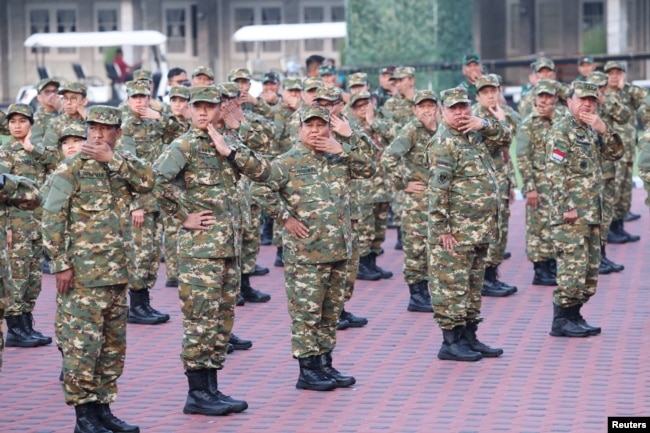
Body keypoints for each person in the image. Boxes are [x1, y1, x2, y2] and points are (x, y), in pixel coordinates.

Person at [153, 85, 273, 415]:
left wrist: (230, 148)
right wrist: (182, 217)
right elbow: (153, 182)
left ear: (221, 108)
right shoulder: (184, 145)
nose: (203, 112)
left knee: (221, 321)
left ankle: (212, 389)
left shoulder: (227, 142)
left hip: (228, 247)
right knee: (200, 322)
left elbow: (262, 170)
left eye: (210, 106)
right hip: (200, 251)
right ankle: (197, 393)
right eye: (198, 107)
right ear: (190, 110)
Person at [246, 105, 375, 390]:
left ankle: (325, 364)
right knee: (307, 313)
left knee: (331, 311)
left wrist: (346, 142)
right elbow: (258, 188)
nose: (316, 131)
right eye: (310, 126)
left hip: (339, 249)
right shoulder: (287, 161)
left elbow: (370, 167)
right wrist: (284, 217)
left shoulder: (339, 155)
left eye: (321, 125)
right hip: (306, 252)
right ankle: (308, 371)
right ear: (299, 129)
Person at [42, 105, 151, 433]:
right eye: (94, 129)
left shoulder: (123, 168)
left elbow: (149, 181)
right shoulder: (70, 169)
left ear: (118, 133)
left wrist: (113, 160)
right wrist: (61, 264)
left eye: (106, 129)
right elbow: (51, 218)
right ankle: (84, 417)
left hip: (117, 275)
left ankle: (104, 410)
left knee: (112, 349)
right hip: (83, 279)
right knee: (82, 349)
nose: (99, 135)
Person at [427, 87, 509, 362]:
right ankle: (451, 342)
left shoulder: (473, 135)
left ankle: (469, 336)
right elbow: (438, 191)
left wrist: (483, 123)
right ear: (443, 112)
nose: (460, 113)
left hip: (478, 228)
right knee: (453, 286)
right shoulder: (444, 143)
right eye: (454, 108)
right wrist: (442, 230)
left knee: (473, 285)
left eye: (464, 107)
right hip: (456, 231)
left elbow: (506, 136)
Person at [545, 81, 623, 338]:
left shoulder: (590, 130)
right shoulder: (562, 131)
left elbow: (615, 154)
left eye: (592, 101)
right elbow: (554, 171)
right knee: (572, 269)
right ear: (569, 102)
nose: (588, 104)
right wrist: (568, 205)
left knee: (589, 271)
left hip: (591, 214)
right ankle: (562, 320)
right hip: (571, 216)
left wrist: (604, 129)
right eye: (582, 99)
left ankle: (574, 314)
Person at [119, 80, 181, 325]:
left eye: (143, 97)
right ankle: (135, 306)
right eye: (134, 97)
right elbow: (127, 167)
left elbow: (180, 133)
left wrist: (161, 117)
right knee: (139, 254)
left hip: (157, 197)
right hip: (140, 200)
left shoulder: (155, 121)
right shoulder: (125, 127)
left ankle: (144, 302)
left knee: (153, 253)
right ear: (127, 100)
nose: (139, 102)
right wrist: (135, 203)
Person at [0, 103, 56, 348]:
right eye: (13, 122)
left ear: (31, 124)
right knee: (18, 279)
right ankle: (15, 330)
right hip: (16, 226)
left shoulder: (37, 152)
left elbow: (58, 166)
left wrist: (34, 148)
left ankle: (26, 325)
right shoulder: (5, 153)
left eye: (22, 121)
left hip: (36, 225)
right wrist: (7, 228)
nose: (17, 126)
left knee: (34, 280)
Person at [382, 90, 438, 312]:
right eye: (422, 107)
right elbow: (388, 157)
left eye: (430, 106)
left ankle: (428, 293)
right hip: (417, 201)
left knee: (433, 248)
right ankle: (417, 297)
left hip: (437, 200)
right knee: (416, 249)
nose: (427, 111)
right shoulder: (411, 131)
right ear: (414, 110)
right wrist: (402, 183)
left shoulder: (442, 130)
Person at [472, 74, 518, 297]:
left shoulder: (503, 113)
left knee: (501, 230)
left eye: (494, 91)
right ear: (478, 96)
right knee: (488, 231)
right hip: (483, 187)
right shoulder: (474, 117)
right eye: (485, 93)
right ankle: (484, 279)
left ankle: (492, 274)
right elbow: (495, 144)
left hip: (501, 181)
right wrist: (500, 124)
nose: (491, 96)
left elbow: (512, 142)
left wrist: (511, 184)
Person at [516, 79, 564, 286]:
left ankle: (552, 265)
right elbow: (522, 157)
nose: (544, 100)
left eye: (548, 96)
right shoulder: (528, 124)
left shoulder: (562, 120)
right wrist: (530, 188)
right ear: (535, 98)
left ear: (555, 98)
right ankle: (540, 269)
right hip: (539, 184)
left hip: (559, 185)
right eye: (541, 96)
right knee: (537, 227)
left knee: (556, 226)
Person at [587, 71, 629, 274]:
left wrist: (605, 102)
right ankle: (595, 259)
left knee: (606, 215)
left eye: (602, 87)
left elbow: (625, 116)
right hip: (593, 175)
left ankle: (602, 255)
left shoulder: (606, 104)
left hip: (608, 170)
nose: (600, 91)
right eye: (596, 88)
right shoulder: (583, 112)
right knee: (596, 217)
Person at [0, 174, 42, 372]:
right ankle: (17, 328)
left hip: (30, 227)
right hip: (18, 231)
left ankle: (23, 326)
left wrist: (4, 182)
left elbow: (33, 196)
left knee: (30, 281)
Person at [604, 60, 647, 236]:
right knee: (613, 190)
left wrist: (625, 87)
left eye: (618, 72)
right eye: (611, 73)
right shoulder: (601, 94)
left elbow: (645, 99)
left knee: (624, 192)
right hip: (613, 152)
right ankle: (611, 229)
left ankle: (619, 226)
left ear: (624, 74)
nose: (614, 76)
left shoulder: (629, 90)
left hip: (629, 150)